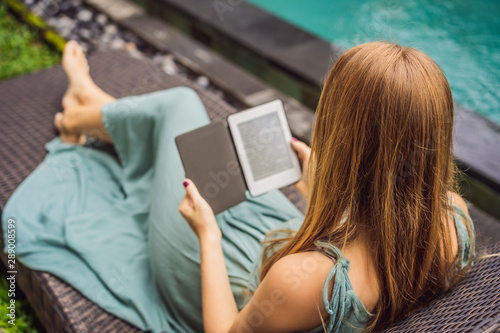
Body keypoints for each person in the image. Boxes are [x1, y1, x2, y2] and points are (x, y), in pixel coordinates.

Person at [1, 40, 474, 333]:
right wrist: (322, 192)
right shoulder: (451, 218)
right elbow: (380, 229)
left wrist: (207, 233)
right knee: (217, 157)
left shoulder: (303, 280)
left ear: (345, 142)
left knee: (180, 106)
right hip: (291, 252)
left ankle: (76, 112)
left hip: (214, 274)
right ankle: (97, 104)